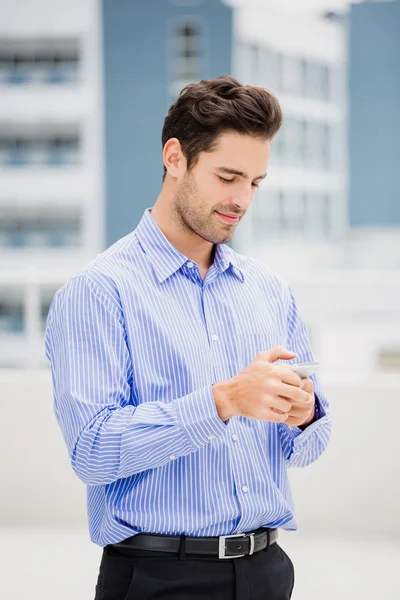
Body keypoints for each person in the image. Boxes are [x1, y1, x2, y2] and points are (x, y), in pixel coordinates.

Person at [45, 75, 331, 600]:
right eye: (228, 176)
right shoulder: (98, 292)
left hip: (267, 572)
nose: (242, 199)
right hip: (158, 578)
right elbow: (92, 450)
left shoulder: (269, 291)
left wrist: (305, 413)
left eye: (255, 182)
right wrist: (222, 401)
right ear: (175, 158)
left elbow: (306, 448)